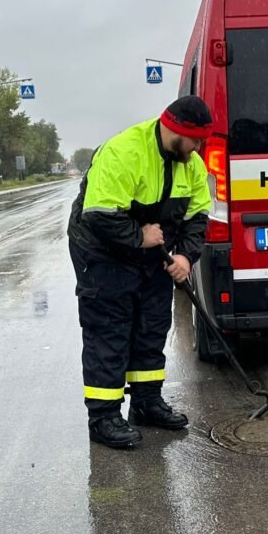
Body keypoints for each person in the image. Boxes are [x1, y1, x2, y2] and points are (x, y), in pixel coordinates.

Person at [69, 95, 213, 449]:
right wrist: (139, 236)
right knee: (110, 331)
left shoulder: (190, 164)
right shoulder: (125, 151)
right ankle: (103, 417)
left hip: (153, 253)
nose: (198, 148)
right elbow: (98, 215)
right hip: (103, 251)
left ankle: (146, 403)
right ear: (176, 130)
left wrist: (186, 258)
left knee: (151, 326)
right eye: (195, 140)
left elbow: (197, 216)